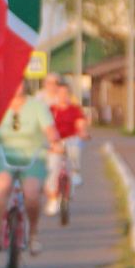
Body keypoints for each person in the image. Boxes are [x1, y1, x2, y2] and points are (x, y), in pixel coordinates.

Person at [0, 82, 62, 256]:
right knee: (1, 186)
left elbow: (50, 130)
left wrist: (55, 142)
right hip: (2, 156)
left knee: (32, 193)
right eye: (13, 80)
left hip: (33, 156)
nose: (16, 86)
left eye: (20, 81)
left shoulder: (37, 106)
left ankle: (33, 235)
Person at [46, 76, 90, 206]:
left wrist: (82, 132)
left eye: (66, 93)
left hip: (71, 139)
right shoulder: (51, 110)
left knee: (75, 147)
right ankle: (53, 197)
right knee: (52, 167)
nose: (63, 96)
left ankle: (75, 171)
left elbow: (80, 124)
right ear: (56, 94)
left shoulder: (74, 110)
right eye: (60, 93)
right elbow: (45, 127)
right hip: (55, 141)